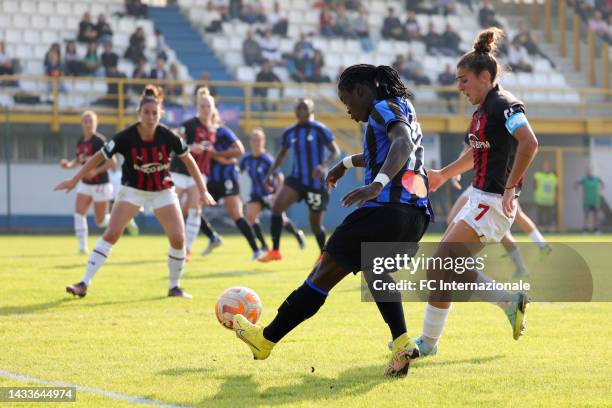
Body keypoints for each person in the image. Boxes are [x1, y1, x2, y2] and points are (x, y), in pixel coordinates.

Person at [233, 64, 432, 377]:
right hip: (415, 216)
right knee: (373, 270)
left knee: (321, 275)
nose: (348, 111)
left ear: (361, 90)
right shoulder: (402, 106)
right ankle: (403, 342)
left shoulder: (381, 108)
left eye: (346, 101)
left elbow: (403, 145)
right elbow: (390, 149)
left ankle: (265, 339)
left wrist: (376, 184)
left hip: (385, 209)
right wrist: (345, 162)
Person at [415, 28, 539, 359]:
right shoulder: (481, 113)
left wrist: (511, 187)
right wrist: (443, 174)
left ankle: (503, 303)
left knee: (442, 262)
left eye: (464, 80)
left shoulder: (504, 105)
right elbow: (476, 154)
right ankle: (429, 342)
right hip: (480, 200)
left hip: (494, 202)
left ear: (484, 77)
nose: (459, 87)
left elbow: (530, 143)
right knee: (442, 267)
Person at [55, 85, 214, 298]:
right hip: (133, 190)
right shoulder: (125, 137)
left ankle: (174, 287)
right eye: (146, 112)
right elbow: (99, 156)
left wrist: (202, 190)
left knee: (178, 239)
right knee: (111, 233)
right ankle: (83, 283)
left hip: (162, 190)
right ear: (139, 113)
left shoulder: (168, 136)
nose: (150, 117)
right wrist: (75, 179)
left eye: (154, 113)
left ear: (161, 115)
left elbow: (189, 160)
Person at [258, 98, 340, 263]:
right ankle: (275, 251)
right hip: (296, 180)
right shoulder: (290, 132)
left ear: (311, 110)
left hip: (316, 183)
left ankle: (323, 253)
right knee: (277, 207)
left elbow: (335, 151)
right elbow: (281, 155)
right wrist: (269, 174)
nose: (300, 110)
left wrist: (323, 166)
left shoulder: (320, 129)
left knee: (315, 225)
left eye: (304, 107)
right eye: (297, 108)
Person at [202, 92, 264, 260]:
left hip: (227, 178)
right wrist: (217, 158)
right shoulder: (201, 134)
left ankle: (256, 249)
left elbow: (239, 150)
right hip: (211, 180)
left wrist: (216, 155)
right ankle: (212, 237)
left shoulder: (223, 132)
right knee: (191, 209)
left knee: (236, 215)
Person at [168, 88, 223, 259]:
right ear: (197, 107)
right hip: (179, 171)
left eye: (208, 106)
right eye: (202, 106)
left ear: (213, 109)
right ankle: (175, 244)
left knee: (195, 210)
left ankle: (187, 250)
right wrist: (191, 148)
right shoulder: (190, 124)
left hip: (199, 175)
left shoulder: (213, 130)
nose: (205, 109)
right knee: (170, 207)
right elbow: (174, 140)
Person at [239, 127, 306, 252]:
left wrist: (277, 194)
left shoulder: (267, 159)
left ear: (263, 141)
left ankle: (297, 234)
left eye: (259, 140)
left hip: (270, 193)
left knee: (282, 220)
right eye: (254, 140)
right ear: (250, 142)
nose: (256, 143)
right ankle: (264, 246)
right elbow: (238, 172)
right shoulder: (246, 159)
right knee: (250, 216)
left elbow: (279, 177)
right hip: (256, 193)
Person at [59, 111, 115, 254]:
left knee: (100, 221)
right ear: (82, 124)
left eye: (91, 121)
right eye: (86, 121)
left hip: (101, 184)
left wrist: (96, 171)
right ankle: (83, 247)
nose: (89, 123)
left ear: (96, 123)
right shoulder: (81, 142)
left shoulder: (100, 141)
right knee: (78, 213)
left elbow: (112, 162)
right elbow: (79, 161)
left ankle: (124, 219)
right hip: (85, 184)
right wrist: (68, 165)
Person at [575, 166, 605, 233]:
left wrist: (600, 191)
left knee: (596, 215)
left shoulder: (597, 179)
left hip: (595, 200)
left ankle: (596, 229)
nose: (589, 172)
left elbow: (603, 184)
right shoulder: (584, 179)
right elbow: (575, 184)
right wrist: (579, 192)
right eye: (588, 171)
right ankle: (585, 229)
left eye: (591, 171)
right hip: (587, 200)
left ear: (592, 172)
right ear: (586, 172)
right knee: (586, 215)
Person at [533, 160, 558, 232]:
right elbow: (534, 185)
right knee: (540, 214)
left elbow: (556, 187)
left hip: (550, 199)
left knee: (549, 215)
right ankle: (541, 228)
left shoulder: (553, 176)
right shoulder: (537, 175)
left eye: (547, 166)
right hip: (540, 199)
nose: (545, 168)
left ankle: (549, 228)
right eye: (544, 166)